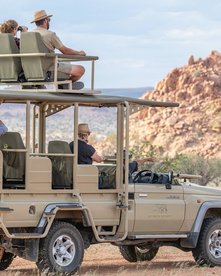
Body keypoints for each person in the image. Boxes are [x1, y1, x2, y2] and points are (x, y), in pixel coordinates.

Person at [31, 10, 86, 90]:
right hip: (49, 68)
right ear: (46, 21)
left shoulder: (29, 35)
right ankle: (63, 86)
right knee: (81, 70)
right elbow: (65, 51)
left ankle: (64, 85)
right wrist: (79, 53)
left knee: (66, 63)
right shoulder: (50, 34)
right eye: (49, 20)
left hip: (33, 69)